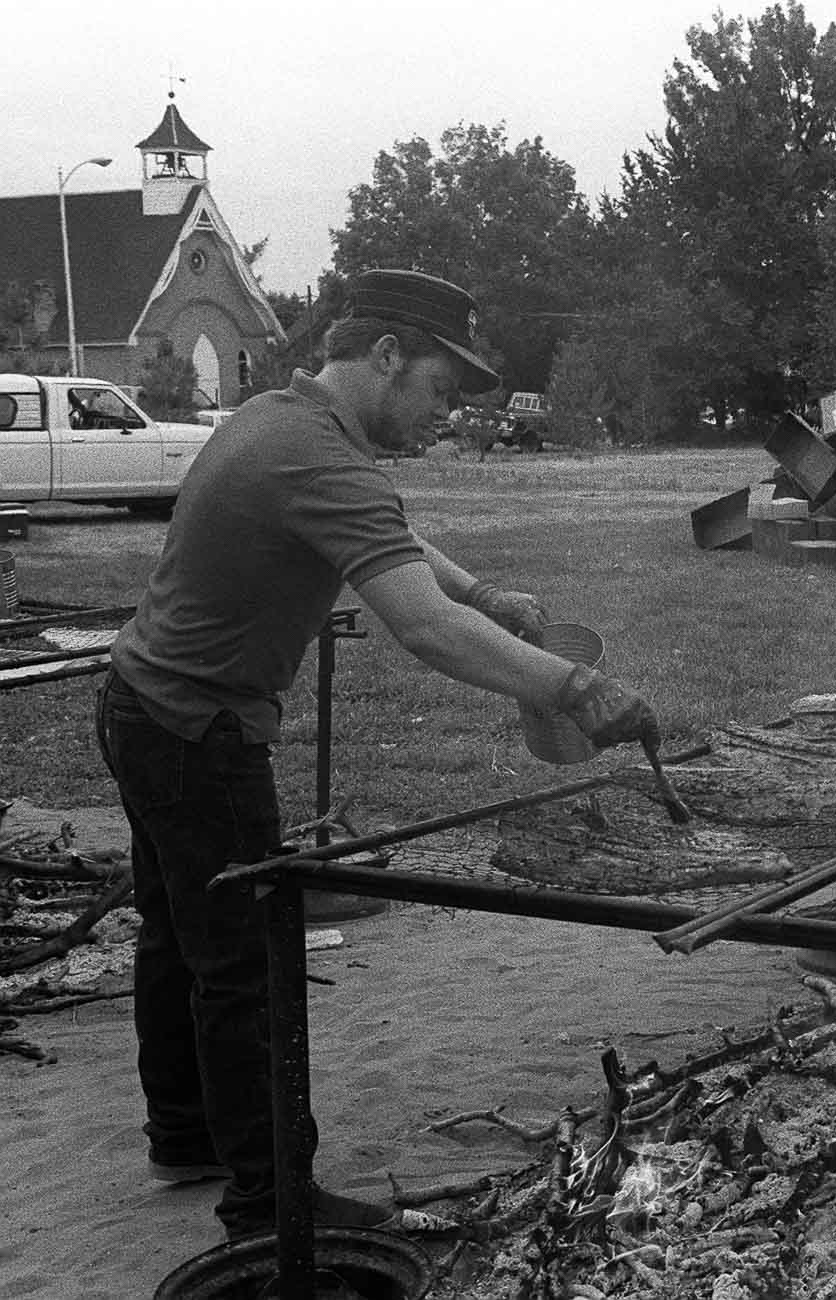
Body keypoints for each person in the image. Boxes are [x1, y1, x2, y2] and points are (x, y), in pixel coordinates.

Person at [97, 269, 661, 1241]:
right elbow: (425, 628)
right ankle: (272, 1209)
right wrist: (576, 688)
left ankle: (186, 1131)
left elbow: (389, 533)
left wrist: (487, 594)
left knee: (177, 933)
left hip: (141, 703)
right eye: (440, 389)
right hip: (202, 731)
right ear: (388, 357)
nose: (444, 413)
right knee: (242, 966)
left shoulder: (282, 418)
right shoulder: (316, 456)